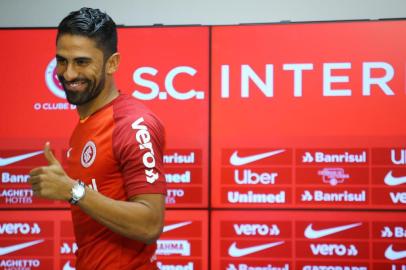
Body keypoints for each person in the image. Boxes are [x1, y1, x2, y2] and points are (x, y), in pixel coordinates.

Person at [28, 7, 166, 270]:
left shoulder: (133, 125)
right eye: (62, 60)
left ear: (112, 63)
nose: (68, 74)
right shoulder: (86, 123)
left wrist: (72, 191)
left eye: (82, 62)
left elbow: (150, 223)